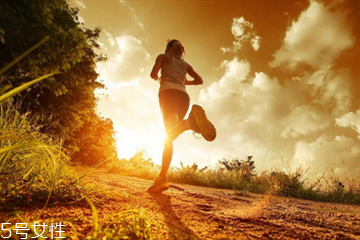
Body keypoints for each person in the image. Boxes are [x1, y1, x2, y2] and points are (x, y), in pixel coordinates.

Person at [148, 39, 216, 193]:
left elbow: (153, 74)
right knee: (170, 135)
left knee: (168, 136)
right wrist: (184, 83)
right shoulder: (185, 65)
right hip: (183, 97)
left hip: (168, 94)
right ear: (180, 51)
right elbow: (199, 81)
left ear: (168, 48)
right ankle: (162, 179)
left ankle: (188, 124)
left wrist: (159, 79)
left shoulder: (163, 57)